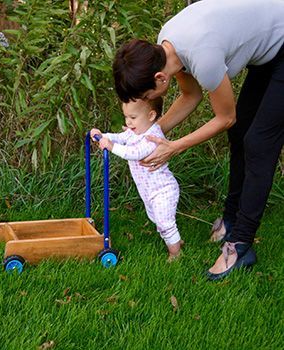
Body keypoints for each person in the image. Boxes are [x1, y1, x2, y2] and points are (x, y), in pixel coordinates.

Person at [112, 0, 284, 280]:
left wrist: (175, 147)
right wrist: (152, 135)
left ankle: (239, 246)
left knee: (258, 143)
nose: (148, 104)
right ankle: (231, 220)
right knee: (241, 135)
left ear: (158, 78)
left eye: (146, 97)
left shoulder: (202, 57)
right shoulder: (165, 47)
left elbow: (226, 116)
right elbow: (191, 96)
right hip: (268, 50)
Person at [91, 97, 183, 261]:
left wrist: (110, 146)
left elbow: (134, 153)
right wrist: (102, 135)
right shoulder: (135, 132)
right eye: (126, 117)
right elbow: (120, 137)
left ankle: (175, 253)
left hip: (163, 189)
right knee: (157, 220)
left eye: (133, 118)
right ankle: (174, 239)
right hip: (149, 190)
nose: (128, 122)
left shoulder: (152, 137)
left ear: (151, 116)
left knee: (164, 223)